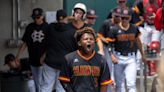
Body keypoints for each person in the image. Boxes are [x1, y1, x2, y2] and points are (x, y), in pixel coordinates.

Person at [59, 27, 113, 92]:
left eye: (91, 39)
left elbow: (104, 83)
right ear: (79, 43)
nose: (89, 40)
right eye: (85, 39)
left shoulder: (101, 60)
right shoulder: (69, 58)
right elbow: (64, 80)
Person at [107, 8, 145, 92]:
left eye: (126, 18)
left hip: (131, 58)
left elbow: (138, 42)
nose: (124, 20)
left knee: (131, 84)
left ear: (130, 18)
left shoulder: (134, 28)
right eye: (123, 18)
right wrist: (111, 55)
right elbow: (109, 44)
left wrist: (142, 55)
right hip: (118, 57)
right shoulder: (114, 29)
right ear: (120, 17)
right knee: (119, 85)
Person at [41, 9, 76, 92]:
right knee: (61, 88)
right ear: (66, 18)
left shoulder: (50, 27)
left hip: (50, 61)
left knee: (46, 86)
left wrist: (43, 55)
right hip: (64, 63)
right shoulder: (72, 31)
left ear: (56, 18)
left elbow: (45, 42)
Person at [15, 8, 48, 92]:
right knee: (36, 82)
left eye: (37, 17)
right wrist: (18, 56)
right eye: (34, 18)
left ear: (42, 16)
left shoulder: (47, 27)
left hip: (43, 61)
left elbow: (50, 44)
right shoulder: (30, 27)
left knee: (42, 83)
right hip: (32, 59)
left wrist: (44, 56)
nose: (35, 19)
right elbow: (25, 43)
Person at [97, 7, 122, 91]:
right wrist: (106, 41)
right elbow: (99, 35)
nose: (118, 18)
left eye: (119, 16)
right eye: (116, 16)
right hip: (107, 49)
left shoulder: (122, 24)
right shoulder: (107, 23)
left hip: (118, 49)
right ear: (112, 15)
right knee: (108, 71)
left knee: (119, 73)